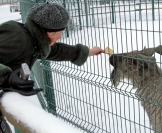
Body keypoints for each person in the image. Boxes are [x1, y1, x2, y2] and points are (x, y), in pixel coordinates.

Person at [0, 3, 104, 132]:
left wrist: (87, 52)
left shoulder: (33, 40)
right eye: (61, 32)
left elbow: (58, 51)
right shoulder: (17, 37)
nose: (61, 36)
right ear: (48, 32)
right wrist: (5, 77)